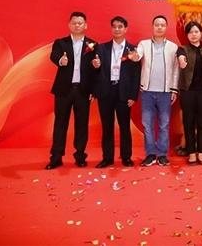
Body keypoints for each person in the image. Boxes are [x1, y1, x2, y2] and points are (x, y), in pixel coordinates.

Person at [46, 11, 98, 169]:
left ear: (85, 25)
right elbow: (53, 56)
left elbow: (95, 70)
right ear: (69, 25)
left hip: (83, 90)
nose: (77, 25)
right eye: (74, 23)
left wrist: (94, 88)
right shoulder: (61, 43)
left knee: (82, 125)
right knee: (60, 124)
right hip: (64, 90)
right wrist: (60, 60)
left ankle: (80, 156)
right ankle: (56, 157)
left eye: (80, 23)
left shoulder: (92, 44)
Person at [92, 16, 141, 168]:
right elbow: (95, 72)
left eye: (120, 26)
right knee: (107, 127)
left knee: (125, 126)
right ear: (111, 28)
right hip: (106, 92)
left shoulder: (133, 50)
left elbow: (136, 74)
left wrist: (133, 95)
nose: (117, 29)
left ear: (126, 29)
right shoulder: (101, 48)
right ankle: (107, 158)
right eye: (114, 26)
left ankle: (126, 157)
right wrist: (95, 65)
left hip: (124, 92)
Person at [130, 15, 179, 167]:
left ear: (166, 27)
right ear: (152, 27)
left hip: (165, 92)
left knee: (164, 124)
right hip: (147, 92)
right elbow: (138, 56)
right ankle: (150, 154)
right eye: (157, 24)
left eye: (162, 25)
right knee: (147, 124)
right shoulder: (143, 44)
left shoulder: (173, 47)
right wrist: (134, 56)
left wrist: (174, 89)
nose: (159, 27)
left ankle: (162, 155)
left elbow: (176, 70)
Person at [176, 21, 202, 165]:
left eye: (196, 32)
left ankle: (201, 153)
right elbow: (180, 57)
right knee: (188, 123)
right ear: (187, 35)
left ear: (201, 33)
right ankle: (191, 153)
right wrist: (181, 61)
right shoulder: (182, 49)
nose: (193, 35)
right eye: (190, 32)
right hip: (187, 92)